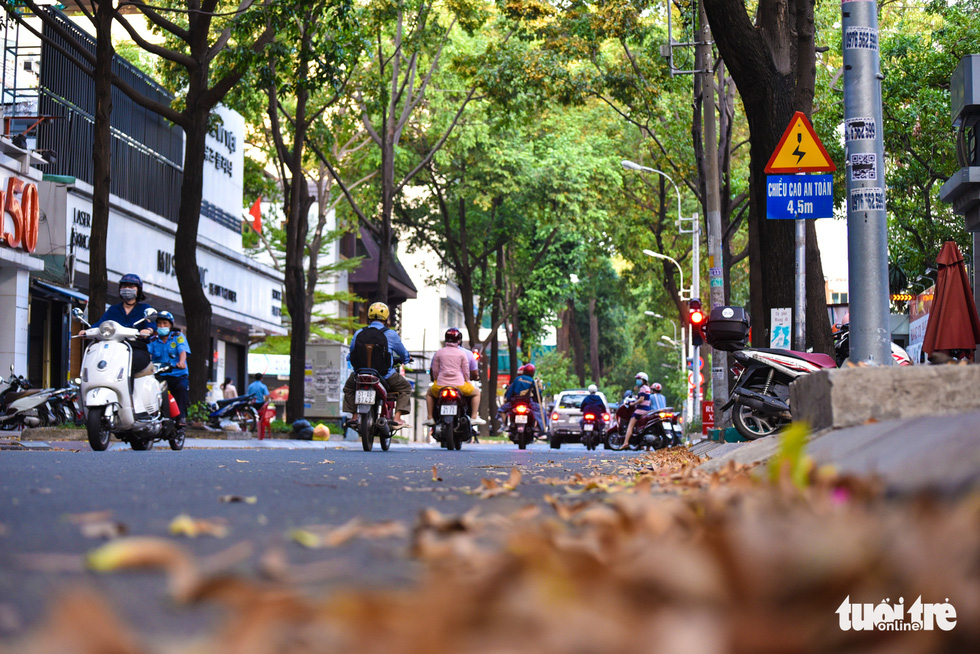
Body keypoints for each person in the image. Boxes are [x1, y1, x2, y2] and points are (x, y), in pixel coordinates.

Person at [342, 302, 413, 429]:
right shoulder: (391, 334)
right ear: (386, 318)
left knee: (348, 388)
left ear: (369, 317)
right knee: (406, 388)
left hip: (360, 374)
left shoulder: (359, 333)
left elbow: (351, 353)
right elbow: (403, 354)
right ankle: (397, 418)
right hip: (385, 376)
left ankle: (354, 416)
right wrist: (407, 359)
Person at [87, 273, 154, 374]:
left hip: (136, 349)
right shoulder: (113, 309)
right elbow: (101, 324)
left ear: (138, 289)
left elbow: (151, 325)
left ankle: (128, 389)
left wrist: (148, 330)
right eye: (124, 286)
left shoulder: (145, 308)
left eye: (131, 286)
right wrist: (87, 332)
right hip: (113, 348)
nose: (127, 289)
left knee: (129, 364)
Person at [423, 328, 486, 426]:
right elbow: (465, 370)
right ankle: (474, 417)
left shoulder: (439, 352)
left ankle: (430, 417)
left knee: (429, 393)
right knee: (477, 392)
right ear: (459, 340)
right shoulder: (463, 353)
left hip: (440, 385)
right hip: (459, 385)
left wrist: (436, 379)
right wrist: (467, 380)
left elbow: (434, 370)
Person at [147, 311, 190, 424]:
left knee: (181, 388)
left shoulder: (178, 337)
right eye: (160, 324)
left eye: (165, 323)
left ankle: (181, 417)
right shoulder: (153, 340)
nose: (162, 326)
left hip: (177, 374)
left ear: (170, 325)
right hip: (160, 376)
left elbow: (182, 350)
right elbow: (147, 354)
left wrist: (181, 362)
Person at [497, 363, 545, 433]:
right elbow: (536, 393)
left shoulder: (517, 379)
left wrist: (507, 399)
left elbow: (510, 391)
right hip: (528, 402)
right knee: (541, 411)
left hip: (515, 402)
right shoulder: (532, 381)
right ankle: (539, 427)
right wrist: (540, 388)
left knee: (501, 410)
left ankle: (505, 425)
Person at [622, 371, 652, 447]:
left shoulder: (642, 388)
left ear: (643, 380)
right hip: (647, 410)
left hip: (640, 410)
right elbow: (644, 398)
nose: (637, 380)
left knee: (630, 425)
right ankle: (644, 446)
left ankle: (626, 442)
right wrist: (636, 397)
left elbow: (641, 399)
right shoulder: (647, 388)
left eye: (639, 379)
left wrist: (633, 404)